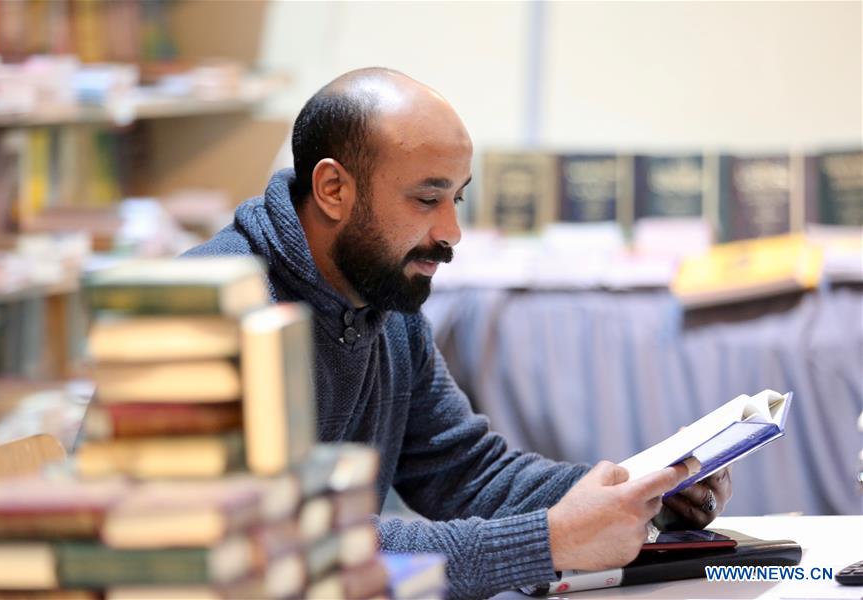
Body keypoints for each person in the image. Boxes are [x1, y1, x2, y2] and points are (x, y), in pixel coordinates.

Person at [185, 67, 732, 599]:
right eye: (427, 199)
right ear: (333, 189)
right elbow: (285, 543)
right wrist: (550, 540)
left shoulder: (385, 302)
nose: (451, 232)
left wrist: (634, 492)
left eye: (457, 198)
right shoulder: (213, 314)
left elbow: (467, 472)